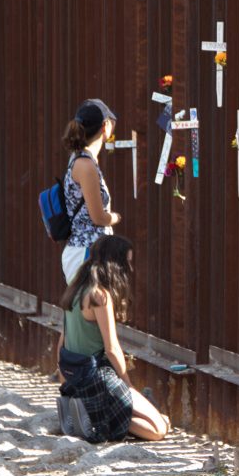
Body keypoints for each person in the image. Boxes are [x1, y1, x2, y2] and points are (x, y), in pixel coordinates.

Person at [55, 235, 171, 442]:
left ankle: (95, 415)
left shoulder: (73, 290)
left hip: (76, 376)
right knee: (159, 429)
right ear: (115, 264)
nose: (130, 269)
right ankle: (102, 421)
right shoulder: (99, 296)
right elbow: (112, 348)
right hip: (98, 376)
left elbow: (62, 341)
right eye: (127, 262)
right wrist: (128, 385)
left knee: (162, 420)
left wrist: (65, 382)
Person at [61, 99, 122, 283]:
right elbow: (98, 218)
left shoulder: (81, 159)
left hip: (87, 251)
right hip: (86, 253)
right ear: (105, 127)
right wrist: (115, 217)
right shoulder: (86, 165)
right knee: (94, 309)